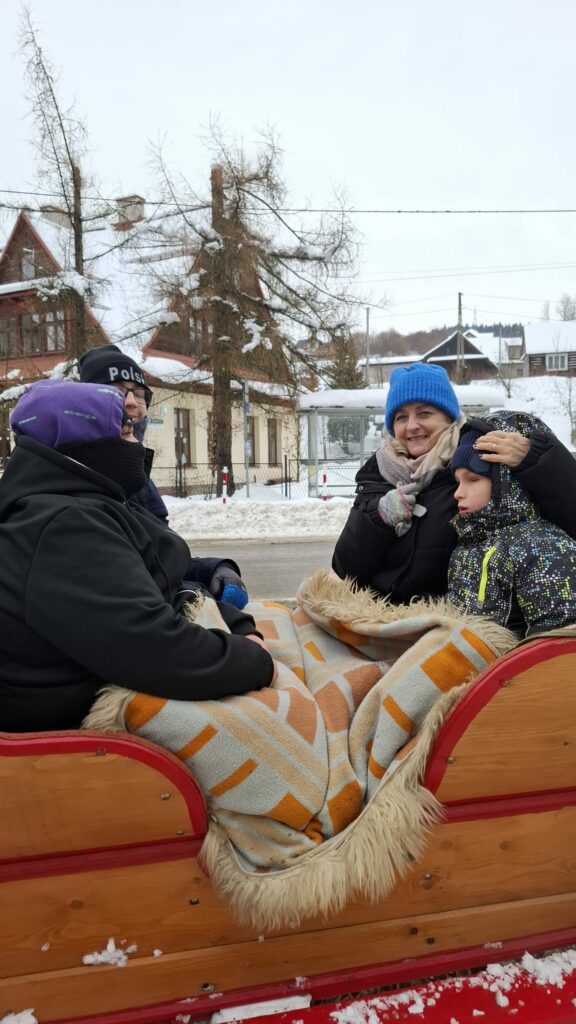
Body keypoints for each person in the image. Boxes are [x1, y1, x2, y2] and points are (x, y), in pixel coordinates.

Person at [0, 380, 275, 733]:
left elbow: (154, 592)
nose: (137, 445)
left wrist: (236, 623)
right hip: (73, 737)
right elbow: (152, 649)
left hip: (98, 693)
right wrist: (259, 662)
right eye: (127, 432)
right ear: (85, 446)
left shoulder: (82, 502)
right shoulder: (63, 525)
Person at [332, 362, 576, 603]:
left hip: (452, 620)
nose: (412, 425)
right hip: (380, 618)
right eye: (400, 417)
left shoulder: (476, 460)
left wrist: (535, 459)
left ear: (448, 417)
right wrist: (378, 518)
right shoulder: (378, 473)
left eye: (424, 413)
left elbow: (566, 515)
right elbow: (345, 568)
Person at [79, 343, 249, 609]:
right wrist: (195, 592)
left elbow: (159, 559)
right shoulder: (81, 479)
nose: (132, 402)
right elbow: (127, 586)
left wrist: (215, 569)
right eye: (117, 391)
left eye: (138, 392)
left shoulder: (140, 479)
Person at [447, 415, 576, 637]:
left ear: (507, 483)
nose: (458, 493)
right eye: (458, 481)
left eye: (473, 479)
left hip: (515, 667)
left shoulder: (542, 545)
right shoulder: (471, 543)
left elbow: (558, 638)